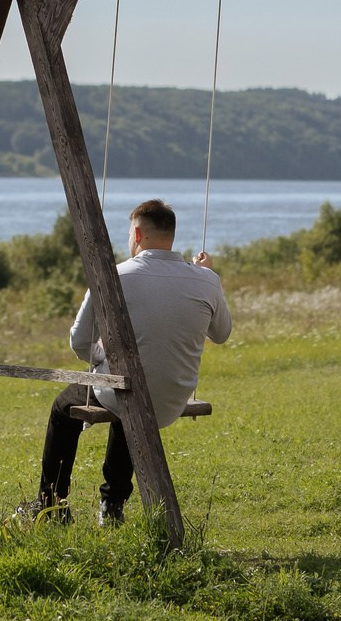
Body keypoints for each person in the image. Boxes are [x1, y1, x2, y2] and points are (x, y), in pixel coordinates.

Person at [32, 198, 232, 524]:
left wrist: (99, 358)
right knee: (132, 395)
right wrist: (208, 275)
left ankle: (51, 506)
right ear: (171, 234)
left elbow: (79, 342)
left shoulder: (114, 276)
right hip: (172, 396)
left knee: (66, 408)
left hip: (123, 392)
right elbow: (222, 334)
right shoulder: (206, 279)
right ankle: (112, 505)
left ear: (137, 234)